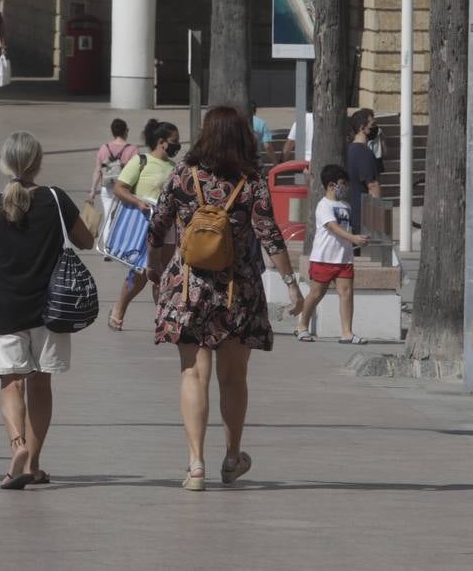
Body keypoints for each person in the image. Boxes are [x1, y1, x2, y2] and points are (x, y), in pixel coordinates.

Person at [147, 105, 296, 491]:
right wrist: (292, 283)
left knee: (193, 374)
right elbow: (270, 234)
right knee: (233, 377)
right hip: (237, 292)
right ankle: (232, 457)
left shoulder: (182, 176)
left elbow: (157, 226)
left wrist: (156, 267)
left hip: (188, 290)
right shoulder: (251, 182)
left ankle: (195, 464)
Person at [0, 131, 95, 490]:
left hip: (2, 308)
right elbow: (86, 241)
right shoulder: (55, 199)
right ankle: (35, 461)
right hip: (51, 309)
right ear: (37, 163)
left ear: (5, 163)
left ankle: (18, 448)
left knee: (11, 383)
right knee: (42, 384)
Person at [106, 119, 180, 330]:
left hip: (168, 228)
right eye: (174, 141)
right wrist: (138, 202)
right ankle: (119, 309)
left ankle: (163, 318)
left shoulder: (175, 167)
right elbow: (120, 188)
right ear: (161, 142)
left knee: (164, 273)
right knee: (140, 272)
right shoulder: (141, 161)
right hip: (144, 226)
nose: (177, 145)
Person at [295, 164, 370, 343]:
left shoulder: (345, 205)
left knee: (346, 293)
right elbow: (333, 227)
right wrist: (353, 238)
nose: (345, 187)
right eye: (342, 183)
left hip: (344, 258)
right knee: (316, 293)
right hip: (323, 258)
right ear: (331, 185)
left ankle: (347, 332)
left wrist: (356, 239)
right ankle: (302, 326)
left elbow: (345, 229)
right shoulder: (323, 205)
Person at [88, 119, 138, 252]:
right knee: (121, 218)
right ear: (125, 131)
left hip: (107, 188)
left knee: (108, 216)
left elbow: (98, 170)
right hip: (124, 188)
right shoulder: (132, 149)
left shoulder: (104, 148)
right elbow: (136, 171)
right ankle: (117, 247)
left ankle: (107, 249)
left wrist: (93, 189)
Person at [345, 109, 381, 235]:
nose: (375, 128)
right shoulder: (364, 152)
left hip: (353, 210)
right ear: (362, 127)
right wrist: (378, 218)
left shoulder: (350, 149)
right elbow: (372, 186)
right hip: (363, 214)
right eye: (372, 125)